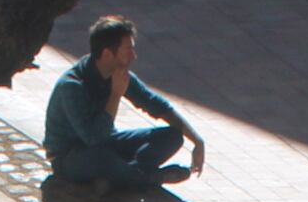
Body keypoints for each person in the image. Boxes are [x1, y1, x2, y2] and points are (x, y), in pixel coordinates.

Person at [43, 16, 206, 191]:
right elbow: (93, 138)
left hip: (108, 143)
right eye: (128, 50)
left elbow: (155, 104)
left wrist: (197, 141)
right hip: (71, 156)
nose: (133, 56)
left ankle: (121, 177)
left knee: (172, 136)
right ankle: (149, 177)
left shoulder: (118, 75)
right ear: (107, 54)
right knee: (103, 158)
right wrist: (115, 95)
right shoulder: (72, 86)